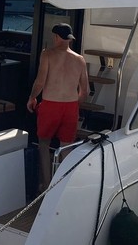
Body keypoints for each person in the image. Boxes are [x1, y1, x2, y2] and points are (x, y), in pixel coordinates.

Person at [26, 23, 89, 192]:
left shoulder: (47, 54)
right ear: (69, 39)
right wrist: (74, 104)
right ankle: (62, 187)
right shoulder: (80, 59)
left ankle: (46, 186)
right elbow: (85, 91)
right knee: (66, 147)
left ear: (55, 37)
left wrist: (32, 98)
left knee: (44, 143)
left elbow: (40, 82)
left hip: (50, 105)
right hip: (71, 107)